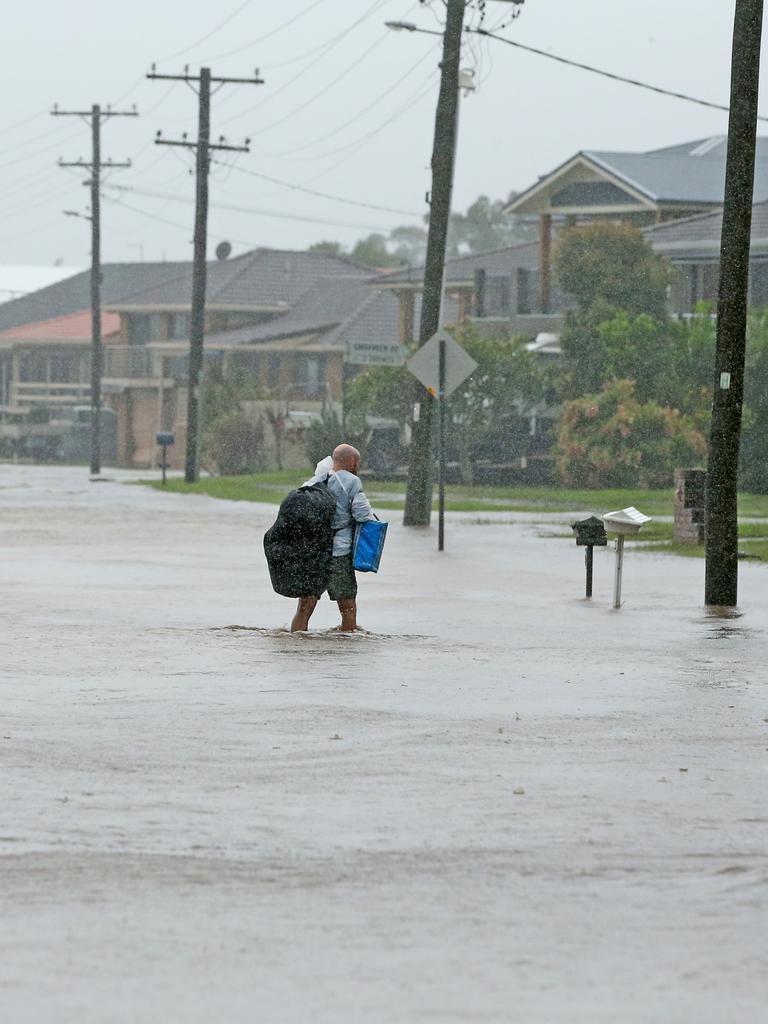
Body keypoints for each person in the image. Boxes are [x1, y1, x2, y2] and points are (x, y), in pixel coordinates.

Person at [291, 443, 376, 633]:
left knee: (304, 609)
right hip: (339, 554)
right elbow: (362, 515)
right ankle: (346, 649)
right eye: (358, 462)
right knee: (348, 608)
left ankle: (296, 645)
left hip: (314, 554)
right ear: (353, 461)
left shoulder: (313, 482)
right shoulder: (352, 482)